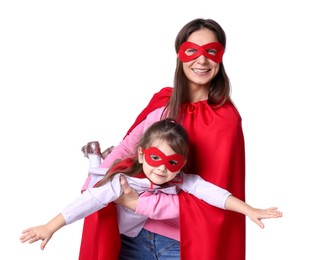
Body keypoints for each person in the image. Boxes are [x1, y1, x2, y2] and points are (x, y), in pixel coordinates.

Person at [78, 18, 255, 260]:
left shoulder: (225, 119)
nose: (201, 60)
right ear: (179, 55)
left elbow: (214, 197)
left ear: (220, 57)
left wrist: (138, 204)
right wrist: (94, 184)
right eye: (192, 50)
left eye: (211, 52)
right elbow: (129, 147)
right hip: (132, 237)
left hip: (183, 246)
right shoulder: (163, 104)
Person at [20, 119, 282, 255]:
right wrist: (49, 227)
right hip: (128, 239)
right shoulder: (123, 183)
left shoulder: (179, 178)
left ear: (183, 164)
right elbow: (88, 201)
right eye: (156, 159)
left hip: (159, 238)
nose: (162, 169)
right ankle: (95, 156)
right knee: (99, 175)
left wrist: (249, 209)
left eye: (172, 162)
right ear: (143, 155)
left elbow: (212, 193)